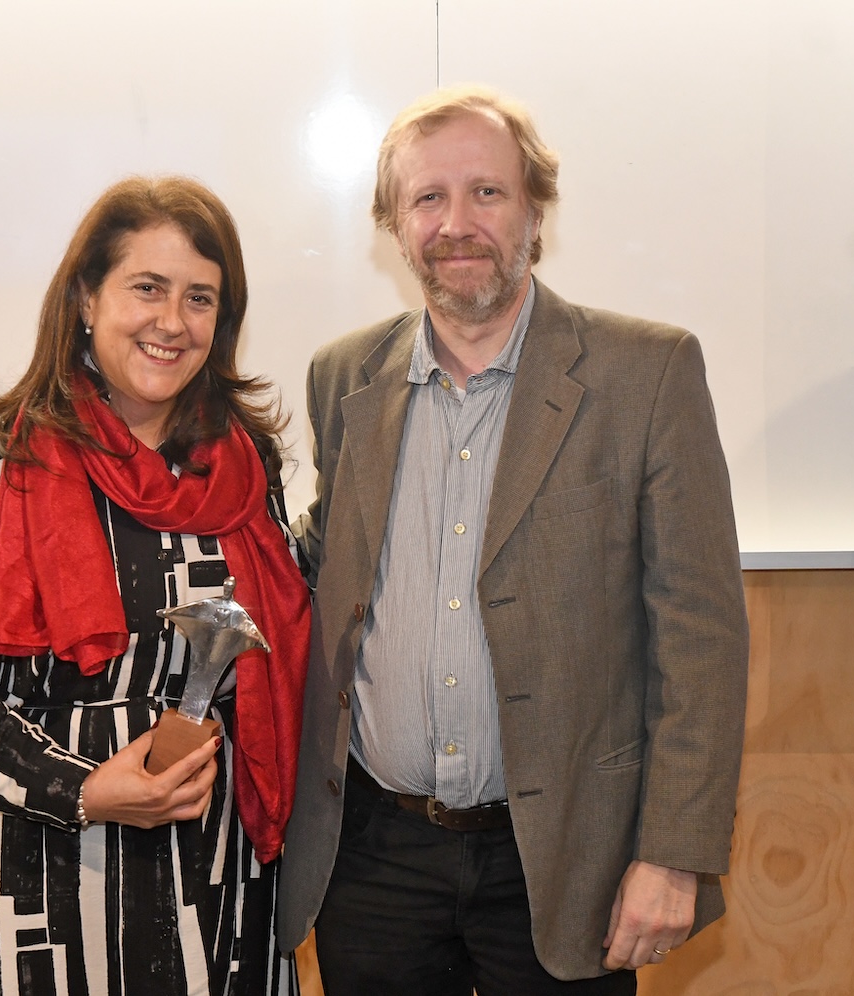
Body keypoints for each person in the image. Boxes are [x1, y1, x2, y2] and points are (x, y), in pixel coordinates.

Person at [275, 85, 749, 994]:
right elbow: (329, 563)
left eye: (486, 192)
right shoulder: (343, 377)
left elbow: (703, 638)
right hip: (373, 861)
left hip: (564, 860)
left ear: (536, 210)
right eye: (428, 198)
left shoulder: (647, 374)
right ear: (394, 223)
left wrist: (673, 853)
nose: (456, 224)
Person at [0, 176, 311, 996]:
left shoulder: (244, 467)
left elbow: (278, 654)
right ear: (87, 298)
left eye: (200, 298)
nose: (173, 322)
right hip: (43, 875)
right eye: (147, 288)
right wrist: (82, 789)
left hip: (218, 876)